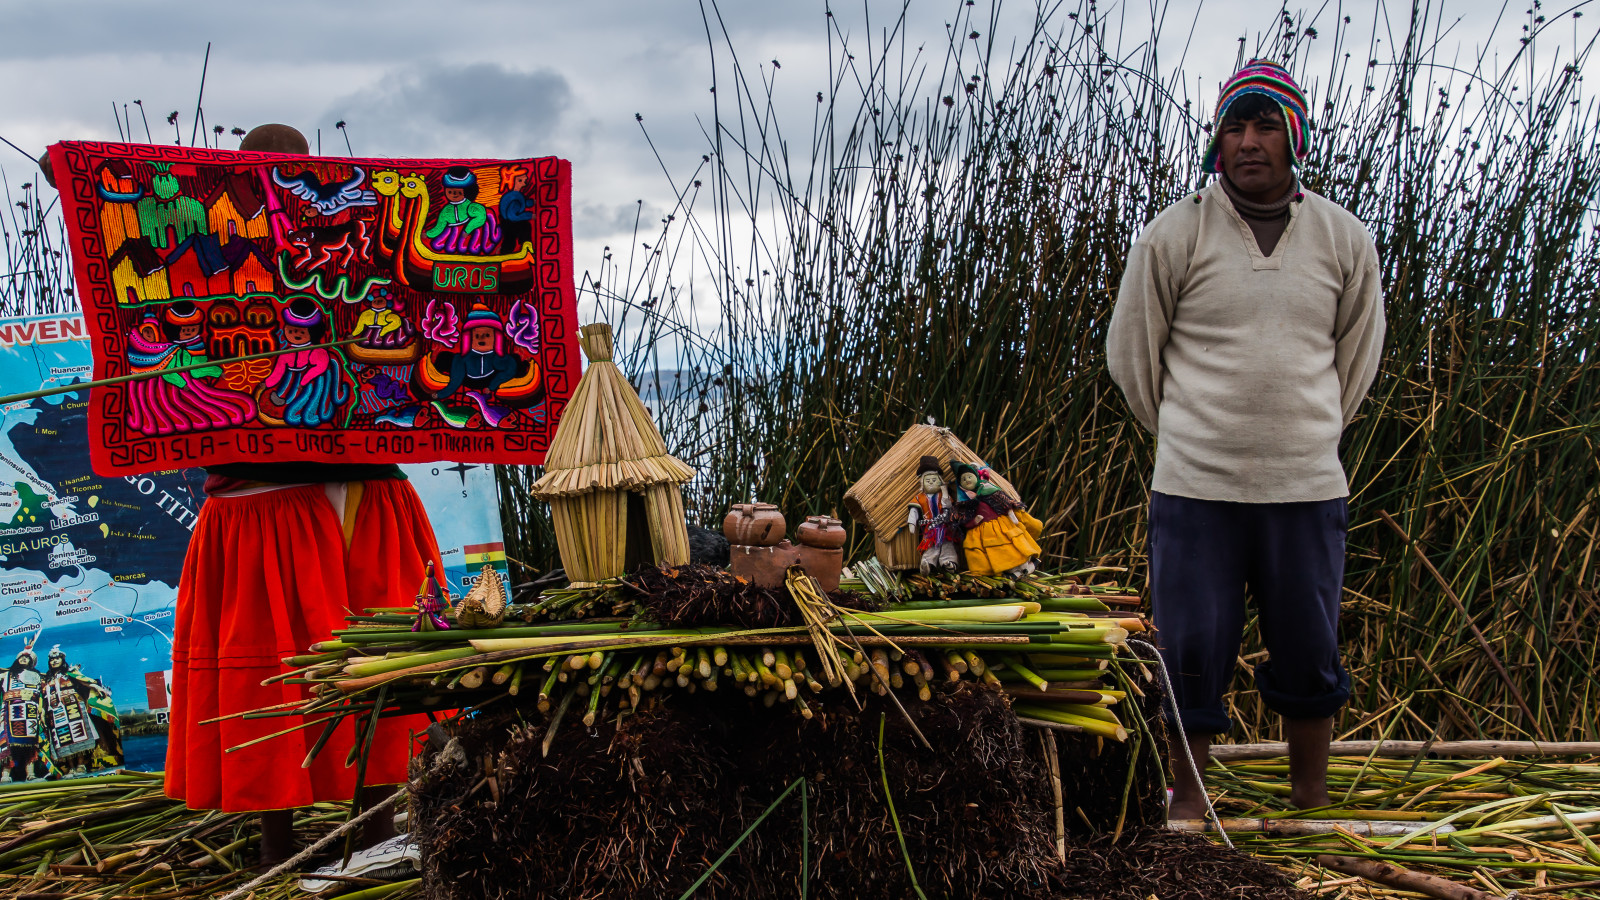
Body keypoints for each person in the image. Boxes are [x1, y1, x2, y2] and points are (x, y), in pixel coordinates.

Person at [1106, 60, 1385, 820]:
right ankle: (1190, 807)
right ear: (1216, 141)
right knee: (1191, 650)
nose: (1249, 142)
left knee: (1308, 646)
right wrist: (1195, 435)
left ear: (1294, 138)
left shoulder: (1342, 237)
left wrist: (1305, 430)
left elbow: (1356, 359)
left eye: (1266, 126)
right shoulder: (1174, 234)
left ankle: (1311, 800)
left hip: (1306, 489)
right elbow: (1133, 357)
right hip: (1196, 489)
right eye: (1235, 126)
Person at [165, 124, 443, 866]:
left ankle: (361, 837)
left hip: (350, 490)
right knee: (279, 662)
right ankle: (297, 842)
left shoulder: (356, 237)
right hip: (274, 499)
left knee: (374, 657)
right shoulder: (224, 245)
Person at [949, 461, 1043, 578]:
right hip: (982, 531)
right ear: (960, 484)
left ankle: (1025, 567)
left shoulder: (989, 490)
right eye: (964, 479)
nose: (967, 480)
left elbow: (1005, 503)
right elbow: (963, 523)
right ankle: (1013, 572)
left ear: (976, 477)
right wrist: (974, 522)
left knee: (1010, 547)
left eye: (970, 476)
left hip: (999, 526)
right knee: (994, 553)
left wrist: (1011, 514)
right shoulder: (965, 503)